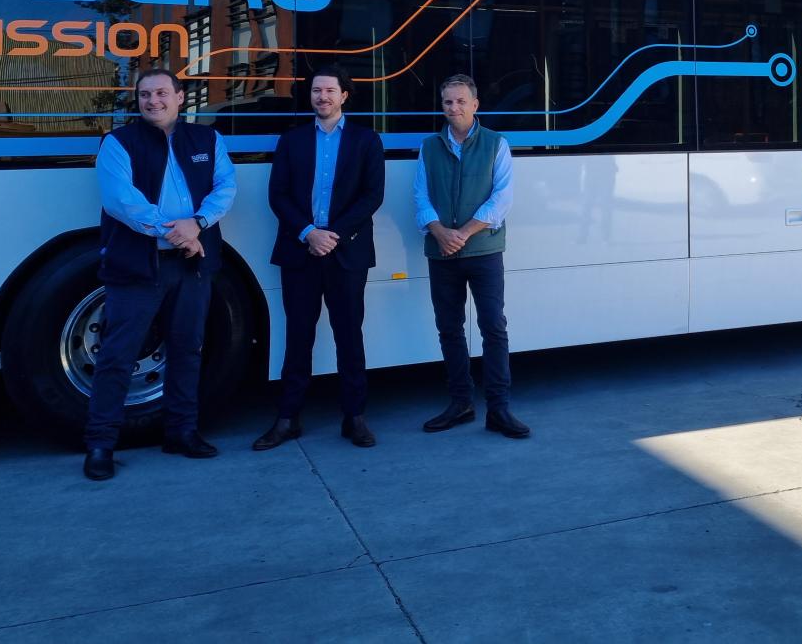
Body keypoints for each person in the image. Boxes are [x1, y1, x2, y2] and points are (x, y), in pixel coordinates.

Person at [83, 68, 237, 481]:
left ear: (181, 97)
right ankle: (100, 444)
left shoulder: (208, 139)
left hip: (194, 264)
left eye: (162, 93)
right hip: (137, 266)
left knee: (187, 350)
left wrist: (198, 223)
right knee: (117, 356)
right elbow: (121, 202)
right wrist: (177, 233)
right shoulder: (117, 143)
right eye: (145, 94)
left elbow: (225, 187)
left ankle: (181, 433)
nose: (153, 101)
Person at [255, 66, 385, 450]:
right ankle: (287, 418)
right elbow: (277, 195)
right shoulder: (291, 140)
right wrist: (308, 233)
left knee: (350, 337)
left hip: (347, 253)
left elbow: (371, 196)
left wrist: (333, 235)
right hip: (300, 251)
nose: (322, 97)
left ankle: (354, 417)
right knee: (298, 337)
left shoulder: (366, 140)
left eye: (330, 90)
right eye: (316, 91)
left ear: (345, 95)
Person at [414, 74, 529, 438]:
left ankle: (498, 409)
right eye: (448, 102)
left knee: (493, 327)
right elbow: (420, 197)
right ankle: (460, 403)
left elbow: (502, 199)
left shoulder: (496, 144)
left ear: (475, 105)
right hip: (441, 252)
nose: (454, 108)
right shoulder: (429, 146)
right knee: (449, 329)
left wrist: (462, 233)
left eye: (461, 101)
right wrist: (440, 232)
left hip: (482, 251)